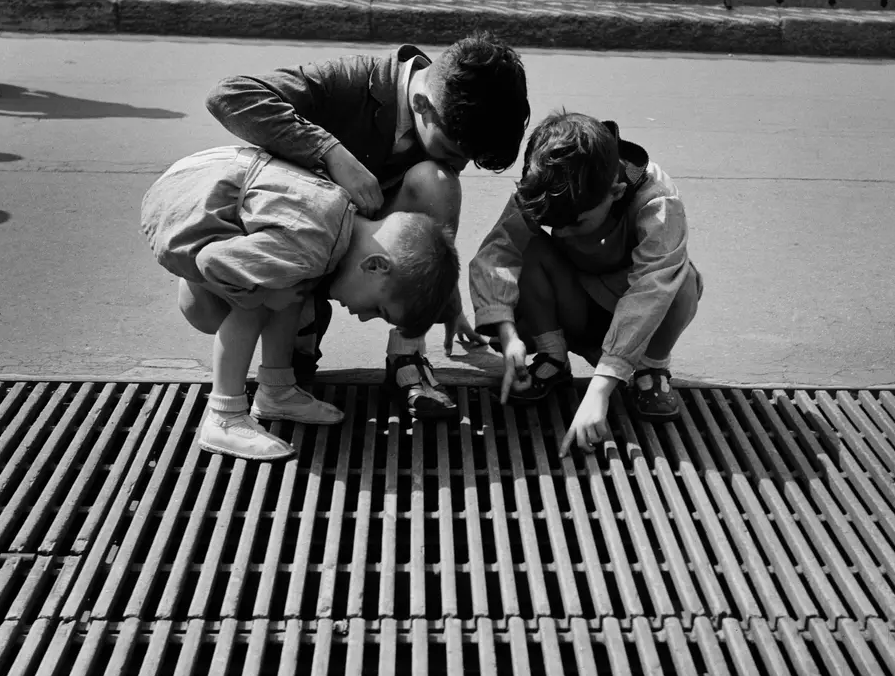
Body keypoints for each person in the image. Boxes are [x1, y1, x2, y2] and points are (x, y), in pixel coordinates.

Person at [205, 31, 529, 420]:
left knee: (436, 183)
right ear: (423, 104)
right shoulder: (350, 81)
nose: (456, 166)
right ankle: (300, 332)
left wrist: (440, 297)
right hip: (293, 239)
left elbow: (422, 240)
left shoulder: (446, 134)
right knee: (200, 307)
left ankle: (407, 358)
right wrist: (330, 151)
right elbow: (229, 96)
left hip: (356, 246)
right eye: (451, 152)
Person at [141, 144, 459, 462]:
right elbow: (210, 261)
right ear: (374, 265)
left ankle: (276, 390)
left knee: (290, 283)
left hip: (210, 178)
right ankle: (224, 416)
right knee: (260, 296)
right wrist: (260, 293)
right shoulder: (308, 243)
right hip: (182, 203)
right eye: (378, 309)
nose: (364, 318)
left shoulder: (335, 228)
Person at [469, 111, 702, 457]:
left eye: (575, 224)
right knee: (527, 245)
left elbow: (651, 288)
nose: (562, 232)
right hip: (575, 303)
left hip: (636, 320)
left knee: (681, 281)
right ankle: (553, 355)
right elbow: (498, 252)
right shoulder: (548, 182)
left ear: (616, 191)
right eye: (555, 224)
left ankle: (651, 371)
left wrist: (600, 389)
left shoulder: (657, 200)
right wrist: (508, 334)